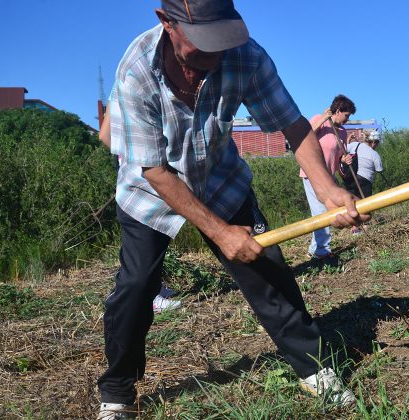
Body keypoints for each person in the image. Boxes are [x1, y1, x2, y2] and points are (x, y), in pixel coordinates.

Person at [98, 2, 367, 417]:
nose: (215, 54)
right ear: (166, 22)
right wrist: (221, 233)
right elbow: (153, 169)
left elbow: (293, 125)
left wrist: (328, 188)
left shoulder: (247, 56)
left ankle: (314, 369)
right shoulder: (136, 71)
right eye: (203, 43)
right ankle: (117, 393)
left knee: (267, 270)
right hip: (150, 191)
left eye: (221, 41)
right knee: (135, 288)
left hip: (219, 179)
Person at [100, 110, 182, 314]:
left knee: (151, 245)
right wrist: (138, 160)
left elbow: (104, 135)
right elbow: (105, 135)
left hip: (143, 180)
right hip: (143, 185)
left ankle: (153, 288)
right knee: (143, 248)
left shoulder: (124, 88)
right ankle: (148, 296)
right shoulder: (129, 83)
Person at [300, 95, 357, 259]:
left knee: (321, 211)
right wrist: (324, 118)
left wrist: (343, 160)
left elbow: (338, 154)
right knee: (321, 211)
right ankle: (322, 251)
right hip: (312, 173)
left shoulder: (342, 131)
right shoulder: (319, 119)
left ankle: (314, 248)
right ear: (338, 111)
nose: (347, 119)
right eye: (346, 115)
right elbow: (305, 136)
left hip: (329, 176)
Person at [342, 130, 384, 234]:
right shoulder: (375, 154)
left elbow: (344, 150)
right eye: (377, 142)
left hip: (350, 177)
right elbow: (379, 170)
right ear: (374, 142)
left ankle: (354, 228)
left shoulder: (355, 145)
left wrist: (348, 140)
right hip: (365, 180)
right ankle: (365, 227)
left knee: (352, 203)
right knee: (365, 204)